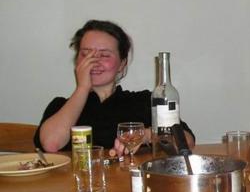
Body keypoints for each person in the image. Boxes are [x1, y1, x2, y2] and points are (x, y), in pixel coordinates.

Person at [34, 19, 195, 154]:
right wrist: (82, 88)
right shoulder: (61, 106)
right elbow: (51, 144)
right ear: (77, 62)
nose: (94, 62)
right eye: (85, 54)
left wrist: (147, 135)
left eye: (104, 55)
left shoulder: (144, 101)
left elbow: (187, 141)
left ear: (122, 64)